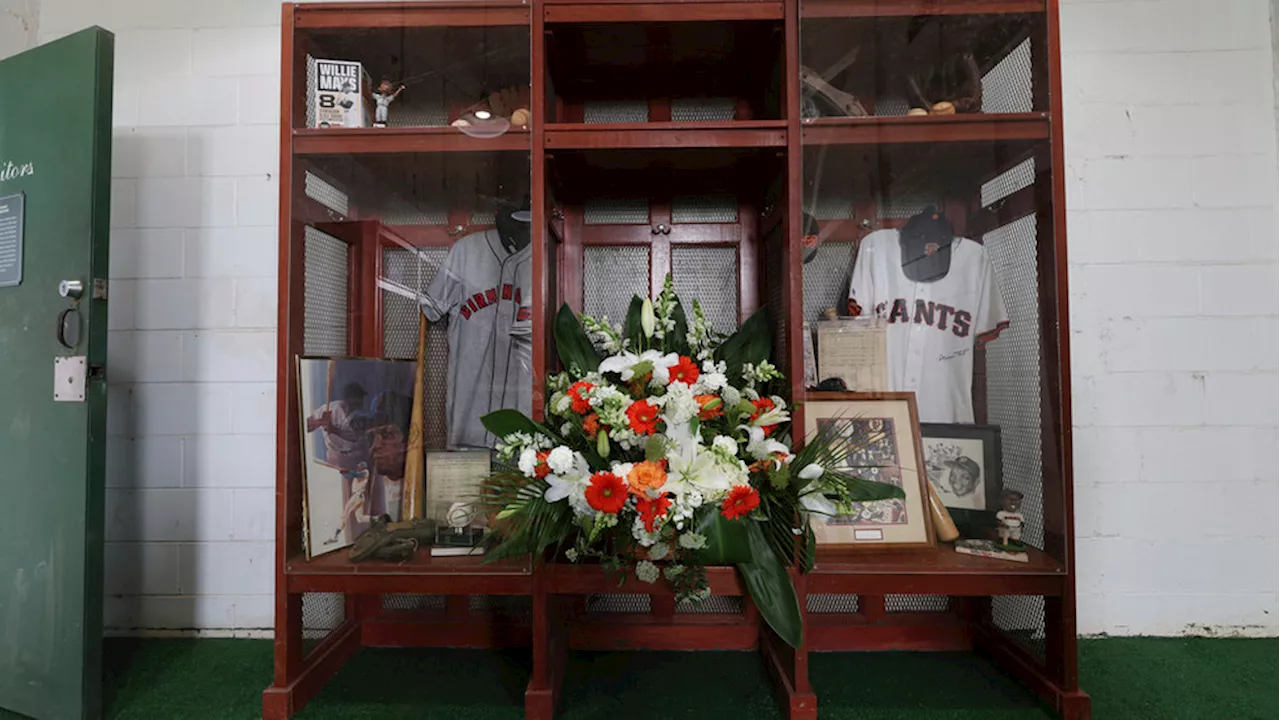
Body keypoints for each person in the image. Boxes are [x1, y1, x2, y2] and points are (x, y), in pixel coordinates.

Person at [306, 382, 371, 470]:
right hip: (334, 456)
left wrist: (334, 429)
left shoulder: (361, 415)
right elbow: (306, 426)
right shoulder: (330, 408)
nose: (361, 400)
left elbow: (355, 436)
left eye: (361, 397)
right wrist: (320, 422)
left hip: (355, 457)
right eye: (358, 397)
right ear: (348, 399)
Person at [325, 462, 373, 546]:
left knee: (345, 514)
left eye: (359, 466)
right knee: (360, 518)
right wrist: (343, 472)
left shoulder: (365, 472)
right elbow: (349, 476)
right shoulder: (357, 475)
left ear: (362, 467)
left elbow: (356, 474)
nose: (358, 467)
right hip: (359, 496)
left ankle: (335, 537)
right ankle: (377, 519)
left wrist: (348, 471)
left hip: (357, 496)